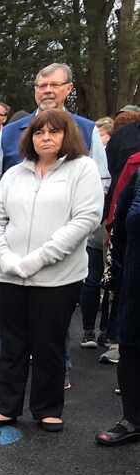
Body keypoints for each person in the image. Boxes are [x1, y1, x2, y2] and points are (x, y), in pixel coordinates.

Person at [0, 109, 103, 432]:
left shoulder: (83, 169)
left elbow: (85, 220)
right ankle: (6, 407)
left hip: (57, 278)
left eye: (53, 132)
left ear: (67, 136)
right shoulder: (14, 175)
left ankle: (47, 408)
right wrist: (5, 259)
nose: (45, 138)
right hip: (8, 275)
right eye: (38, 133)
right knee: (11, 343)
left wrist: (38, 259)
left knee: (49, 344)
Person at [0, 63, 110, 204]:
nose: (47, 90)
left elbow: (100, 180)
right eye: (42, 86)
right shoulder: (10, 132)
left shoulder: (87, 130)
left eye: (54, 85)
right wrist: (5, 215)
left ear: (69, 88)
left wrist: (79, 219)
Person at [99, 167, 140, 444]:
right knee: (131, 348)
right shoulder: (138, 177)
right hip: (136, 284)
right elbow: (119, 225)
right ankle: (133, 419)